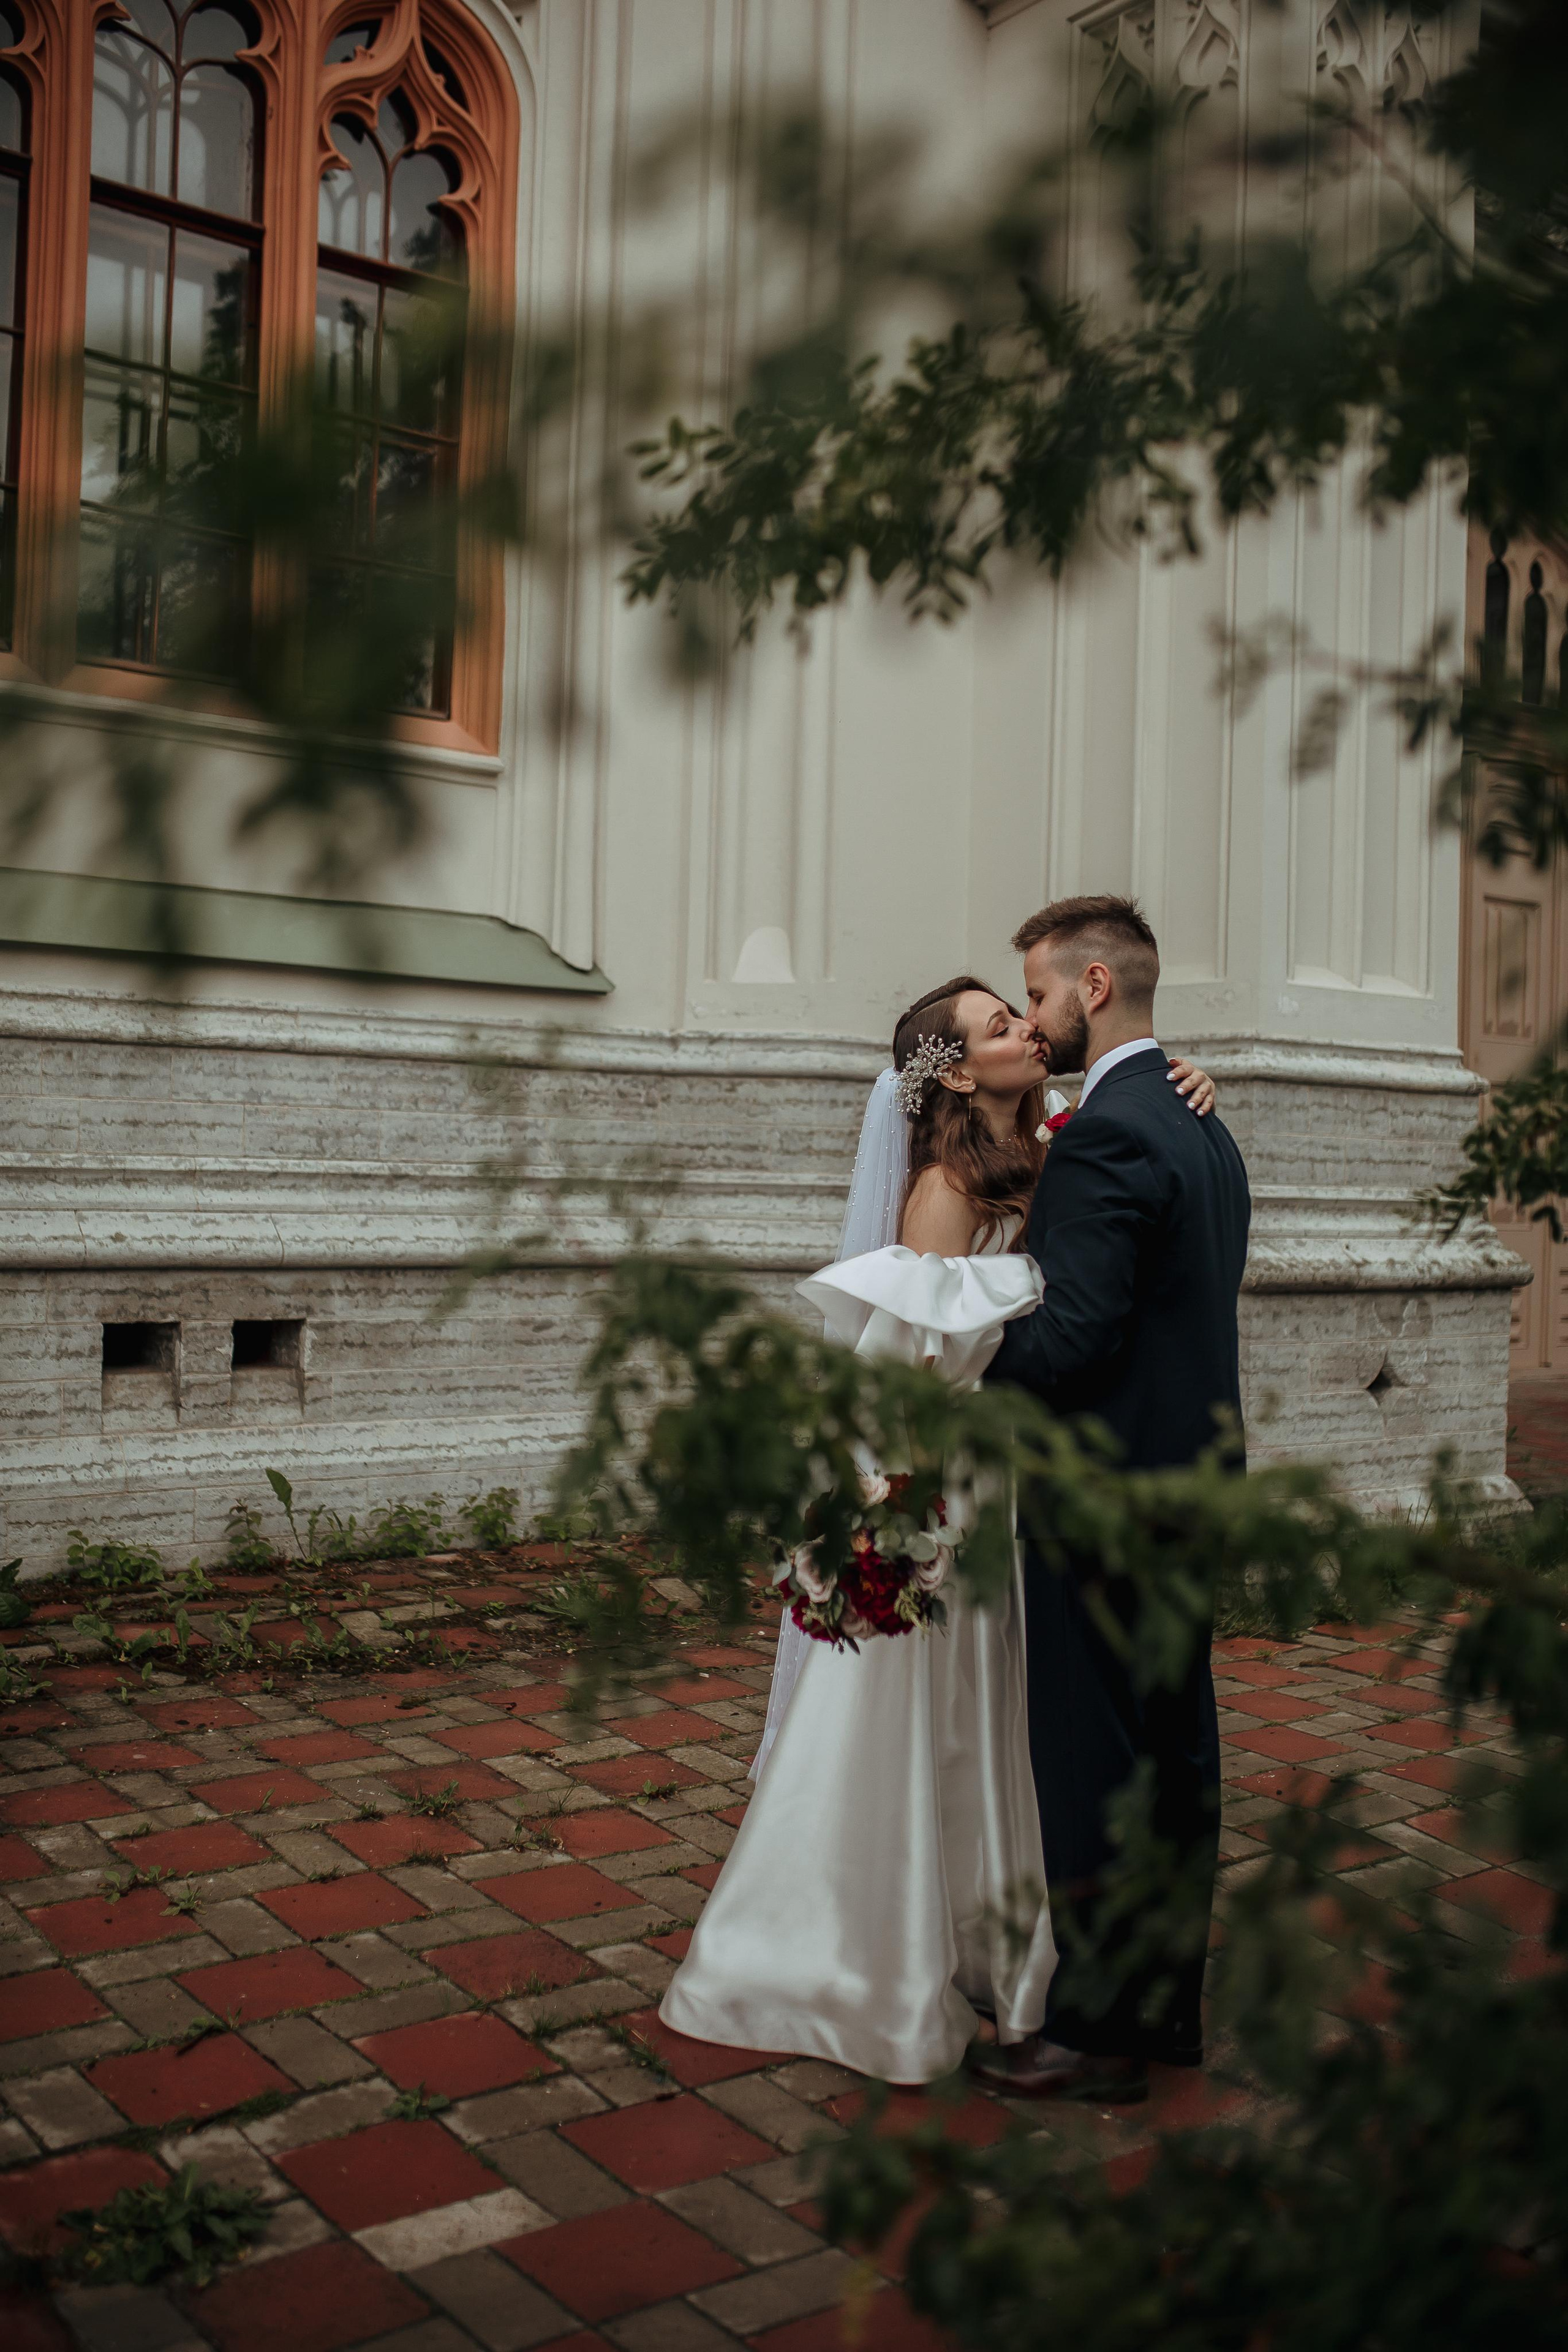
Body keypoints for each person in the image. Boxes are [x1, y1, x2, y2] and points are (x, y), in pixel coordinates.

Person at [657, 973, 1217, 2084]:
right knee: (933, 1719)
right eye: (1001, 1025)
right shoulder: (944, 1191)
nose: (1025, 1026)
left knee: (1009, 1721)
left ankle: (1014, 1949)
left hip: (1027, 1479)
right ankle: (872, 1956)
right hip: (955, 1487)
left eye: (1021, 1010)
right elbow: (906, 1372)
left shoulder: (1063, 1142)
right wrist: (892, 1520)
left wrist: (1193, 1075)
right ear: (958, 1072)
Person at [973, 895, 1251, 2106]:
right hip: (1190, 1484)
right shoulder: (1201, 1128)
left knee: (1092, 1761)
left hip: (1101, 1495)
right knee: (1175, 1750)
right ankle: (1163, 2014)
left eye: (1035, 992)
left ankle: (1089, 2036)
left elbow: (1072, 1341)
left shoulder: (1103, 1135)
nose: (1032, 1019)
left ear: (1093, 984)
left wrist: (960, 1348)